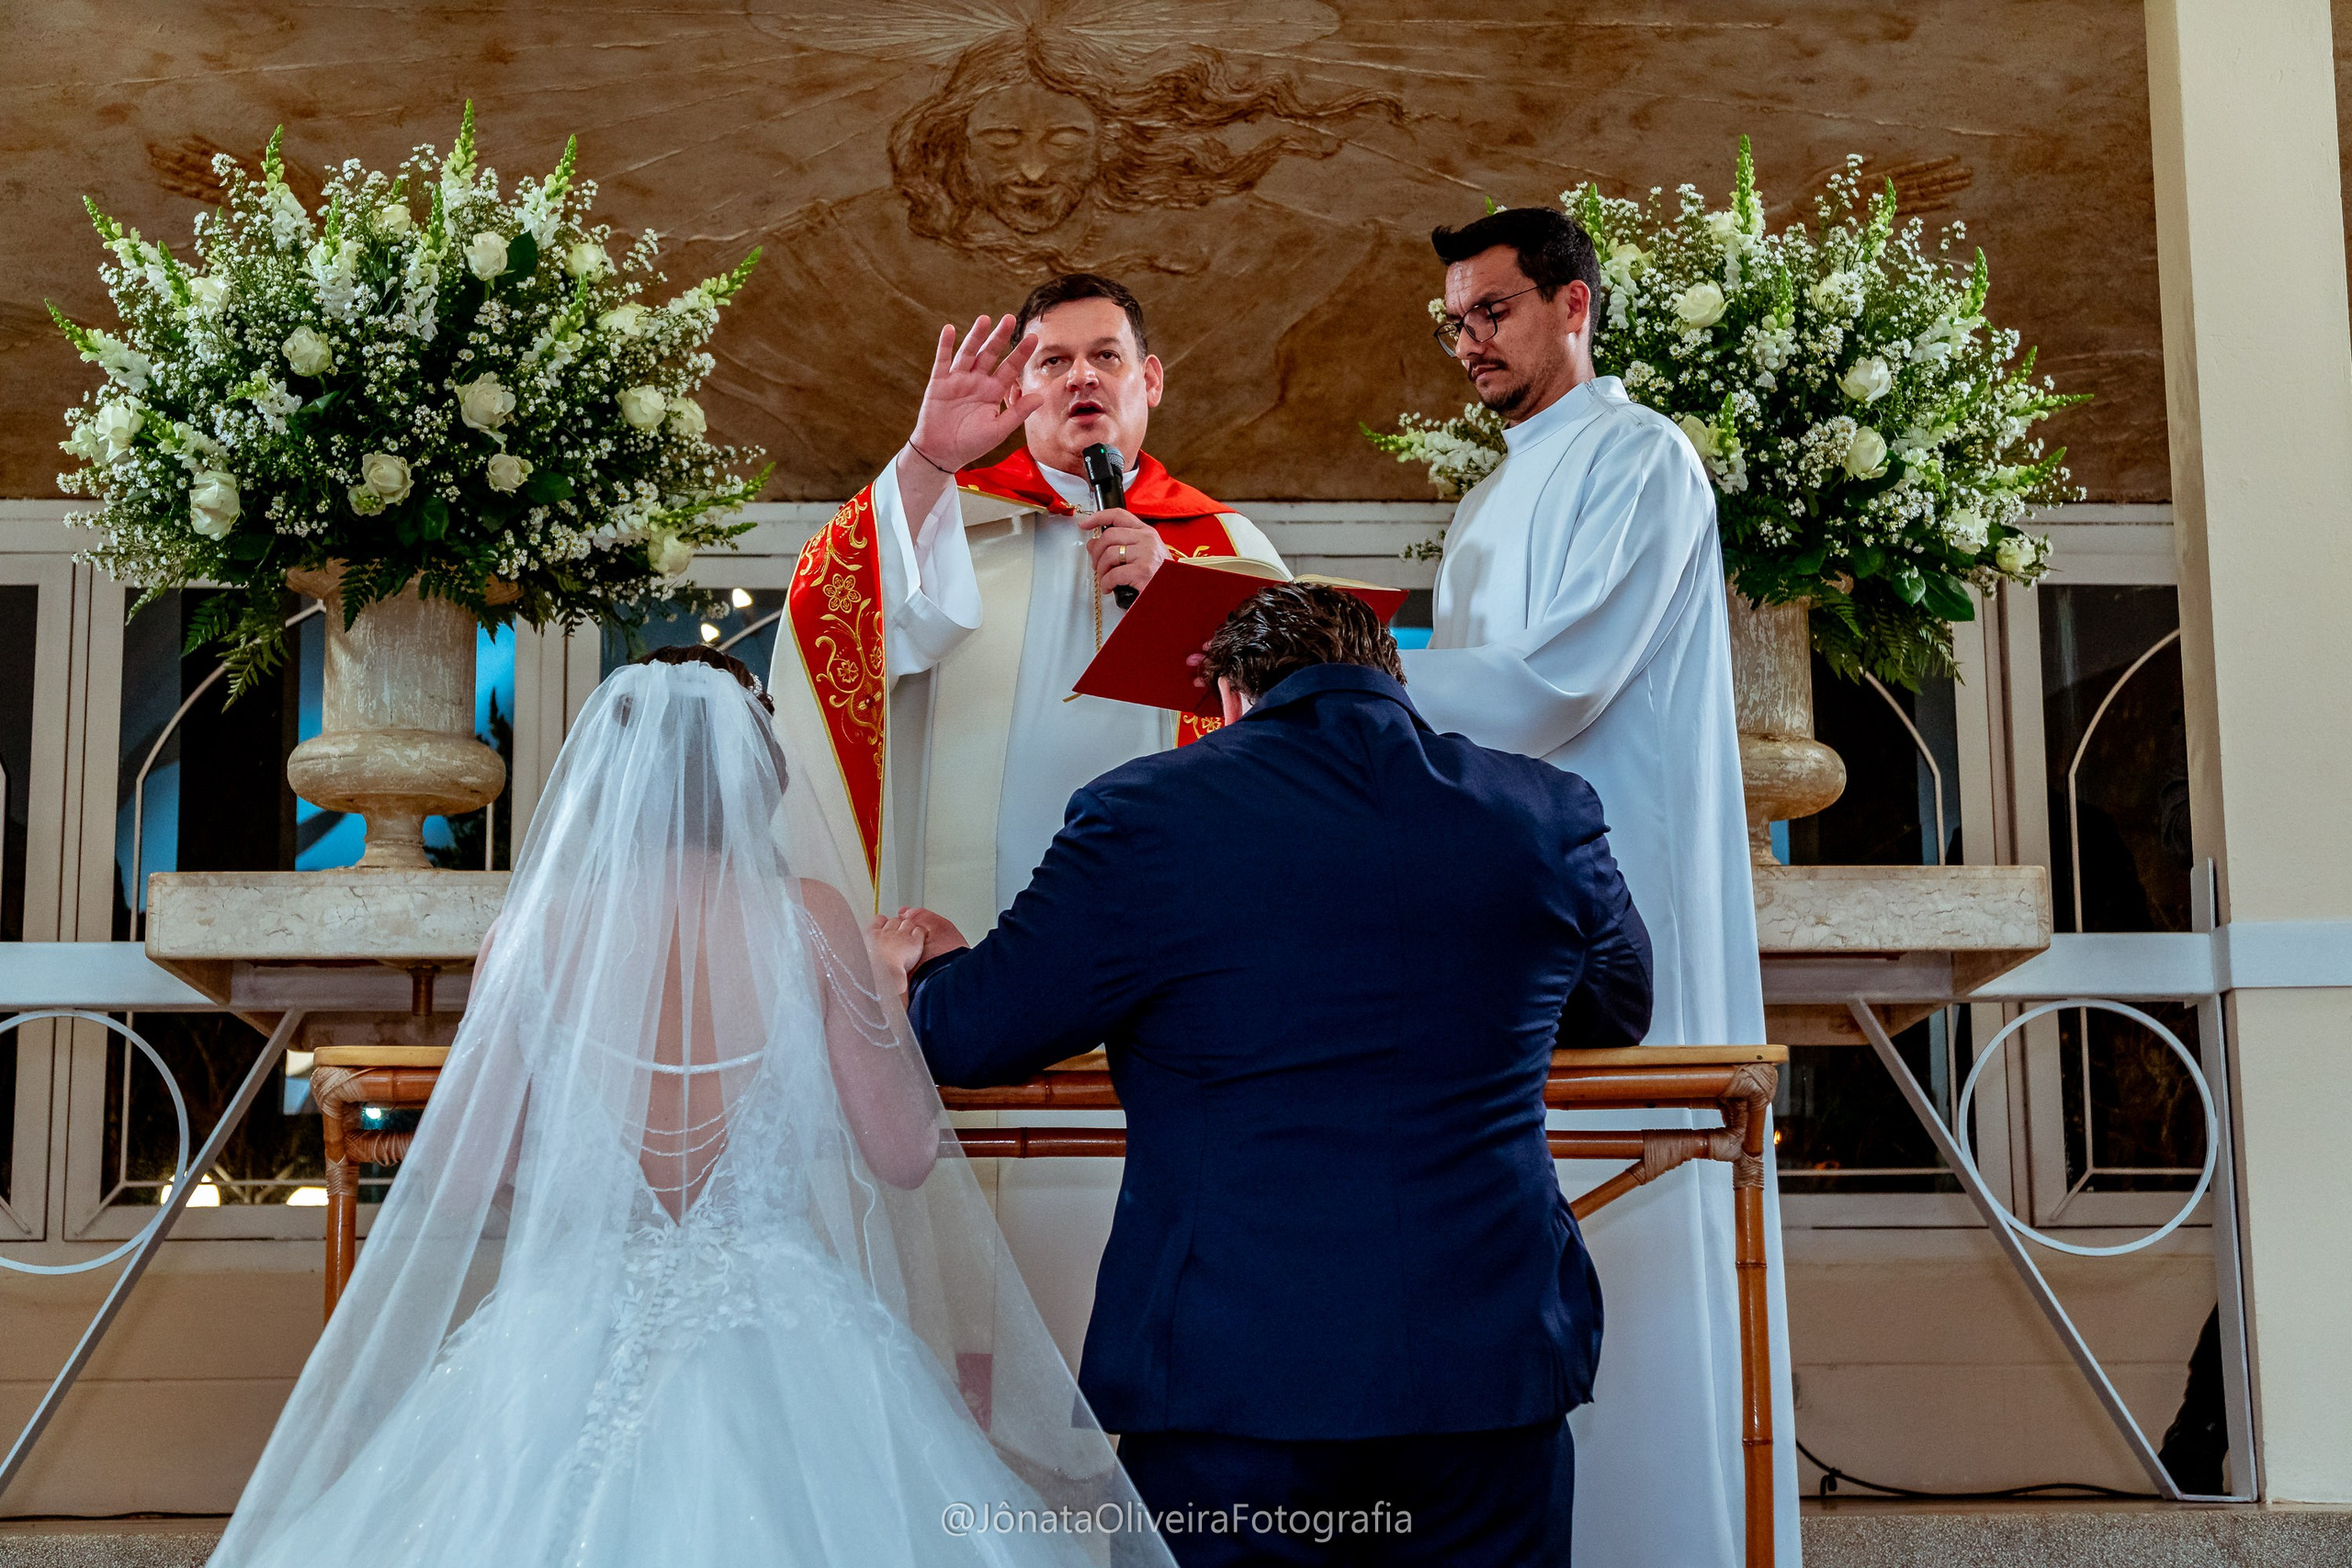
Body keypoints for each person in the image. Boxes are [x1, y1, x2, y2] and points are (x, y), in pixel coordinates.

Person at [209, 647, 1173, 1568]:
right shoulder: (809, 920)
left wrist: (577, 1163)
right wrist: (881, 990)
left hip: (569, 1314)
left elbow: (461, 1177)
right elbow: (903, 1151)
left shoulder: (531, 931)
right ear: (760, 779)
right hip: (782, 1313)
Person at [876, 584, 1654, 1567]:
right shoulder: (1545, 808)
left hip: (1234, 1366)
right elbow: (1617, 1007)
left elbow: (971, 1036)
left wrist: (933, 961)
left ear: (1234, 695)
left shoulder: (1145, 811)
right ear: (1394, 680)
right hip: (1491, 1353)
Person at [1393, 206, 1800, 1567]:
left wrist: (1347, 670)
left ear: (1577, 306)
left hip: (1618, 896)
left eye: (1493, 312)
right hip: (1505, 907)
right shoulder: (1495, 487)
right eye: (1454, 320)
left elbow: (1554, 682)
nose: (1469, 342)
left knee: (1638, 1196)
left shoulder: (1640, 457)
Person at [769, 272, 1283, 944]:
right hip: (979, 918)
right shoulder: (947, 522)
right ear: (1018, 391)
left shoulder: (1225, 542)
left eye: (1106, 355)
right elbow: (833, 611)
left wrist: (1181, 590)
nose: (1082, 378)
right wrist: (926, 461)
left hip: (1177, 904)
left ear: (1149, 379)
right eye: (1053, 361)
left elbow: (1309, 712)